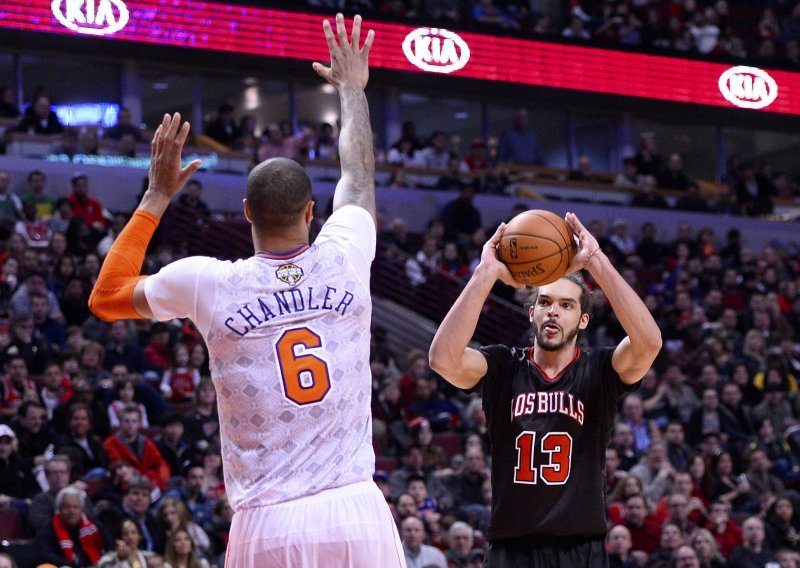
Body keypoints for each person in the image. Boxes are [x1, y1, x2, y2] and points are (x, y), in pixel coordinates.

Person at [88, 14, 403, 567]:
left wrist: (156, 196)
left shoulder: (209, 282)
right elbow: (358, 174)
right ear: (312, 211)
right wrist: (352, 91)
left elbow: (106, 295)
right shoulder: (347, 255)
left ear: (246, 214)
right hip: (356, 508)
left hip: (269, 518)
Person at [428, 210, 662, 566]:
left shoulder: (598, 370)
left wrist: (596, 262)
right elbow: (443, 358)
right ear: (532, 312)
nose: (554, 312)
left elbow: (648, 343)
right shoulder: (504, 366)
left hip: (580, 548)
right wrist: (486, 272)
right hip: (511, 548)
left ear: (582, 320)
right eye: (546, 303)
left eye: (566, 305)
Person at [32, 486, 111, 566]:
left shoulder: (93, 525)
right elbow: (44, 555)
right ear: (59, 509)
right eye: (67, 507)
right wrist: (68, 564)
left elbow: (110, 546)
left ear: (81, 510)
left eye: (76, 507)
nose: (71, 511)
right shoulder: (49, 528)